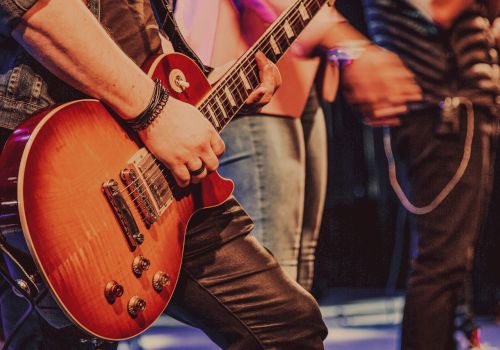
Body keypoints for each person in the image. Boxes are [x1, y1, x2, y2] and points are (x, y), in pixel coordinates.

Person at [0, 0, 328, 348]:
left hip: (142, 158)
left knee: (287, 324)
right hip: (56, 155)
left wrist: (198, 90)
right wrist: (154, 111)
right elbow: (33, 9)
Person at [338, 0, 499, 348]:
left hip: (458, 109)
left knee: (450, 261)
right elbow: (438, 9)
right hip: (442, 111)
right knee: (440, 263)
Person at [175, 0, 341, 290]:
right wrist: (343, 39)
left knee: (299, 263)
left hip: (299, 67)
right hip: (243, 65)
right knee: (273, 265)